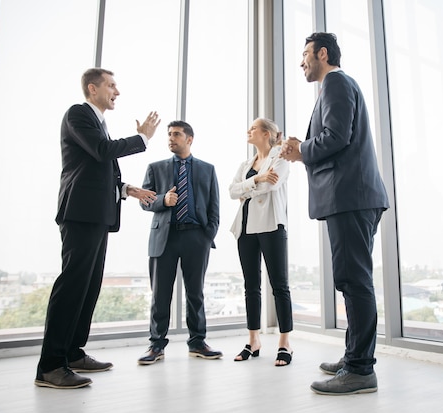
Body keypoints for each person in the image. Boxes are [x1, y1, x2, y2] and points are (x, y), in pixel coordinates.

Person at [35, 68, 161, 389]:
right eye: (111, 85)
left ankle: (73, 352)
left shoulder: (99, 123)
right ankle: (51, 365)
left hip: (97, 214)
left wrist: (127, 189)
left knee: (88, 287)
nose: (116, 91)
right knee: (73, 285)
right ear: (93, 89)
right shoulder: (78, 114)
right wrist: (143, 137)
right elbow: (102, 153)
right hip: (80, 213)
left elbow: (97, 169)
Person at [280, 32, 389, 395]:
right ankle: (353, 356)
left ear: (322, 54)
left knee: (354, 280)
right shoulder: (337, 85)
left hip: (351, 198)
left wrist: (300, 150)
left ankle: (360, 370)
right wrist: (304, 146)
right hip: (353, 197)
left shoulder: (335, 82)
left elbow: (336, 136)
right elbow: (335, 135)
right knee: (351, 278)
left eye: (305, 55)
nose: (301, 62)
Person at [137, 120, 222, 365]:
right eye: (169, 135)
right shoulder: (155, 168)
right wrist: (164, 200)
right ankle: (156, 346)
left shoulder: (208, 169)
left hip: (197, 237)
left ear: (189, 139)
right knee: (160, 294)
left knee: (196, 293)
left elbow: (214, 207)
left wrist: (208, 237)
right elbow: (144, 201)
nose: (171, 138)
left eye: (176, 134)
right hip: (165, 237)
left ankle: (197, 342)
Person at [229, 118, 293, 366]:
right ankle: (253, 340)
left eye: (253, 128)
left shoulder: (281, 158)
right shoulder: (247, 164)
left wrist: (247, 189)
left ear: (266, 134)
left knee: (280, 285)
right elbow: (232, 191)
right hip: (245, 229)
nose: (249, 130)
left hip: (270, 226)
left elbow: (270, 186)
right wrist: (255, 180)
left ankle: (285, 343)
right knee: (251, 286)